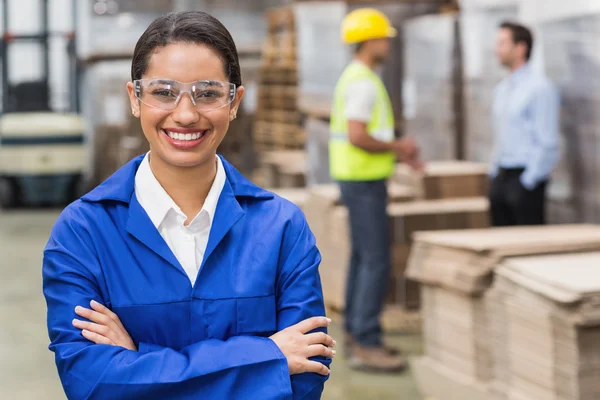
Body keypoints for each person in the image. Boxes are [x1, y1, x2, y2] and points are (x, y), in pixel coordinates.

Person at [42, 11, 334, 400]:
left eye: (208, 93)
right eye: (164, 92)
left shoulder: (282, 228)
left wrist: (139, 361)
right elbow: (92, 383)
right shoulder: (84, 232)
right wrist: (268, 358)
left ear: (234, 102)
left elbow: (305, 377)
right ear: (135, 98)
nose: (185, 114)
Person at [328, 8, 422, 373]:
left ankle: (357, 332)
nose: (388, 44)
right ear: (371, 41)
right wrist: (400, 148)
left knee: (362, 257)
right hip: (364, 182)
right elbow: (358, 134)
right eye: (384, 38)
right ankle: (366, 342)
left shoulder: (354, 77)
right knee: (375, 260)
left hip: (357, 179)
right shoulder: (364, 82)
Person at [489, 21, 560, 226]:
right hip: (502, 177)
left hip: (525, 181)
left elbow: (548, 141)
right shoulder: (502, 89)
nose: (497, 50)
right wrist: (494, 176)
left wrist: (527, 182)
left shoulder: (539, 88)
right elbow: (501, 134)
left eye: (502, 43)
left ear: (521, 48)